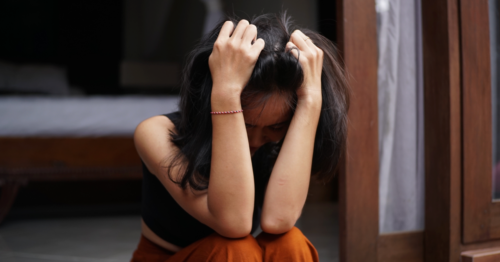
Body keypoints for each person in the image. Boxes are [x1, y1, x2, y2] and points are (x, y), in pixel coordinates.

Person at [131, 12, 349, 262]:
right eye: (245, 124)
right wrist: (226, 92)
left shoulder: (283, 140)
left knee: (290, 243)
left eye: (275, 127)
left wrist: (311, 100)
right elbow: (234, 222)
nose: (256, 140)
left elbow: (278, 220)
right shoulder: (156, 132)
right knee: (235, 250)